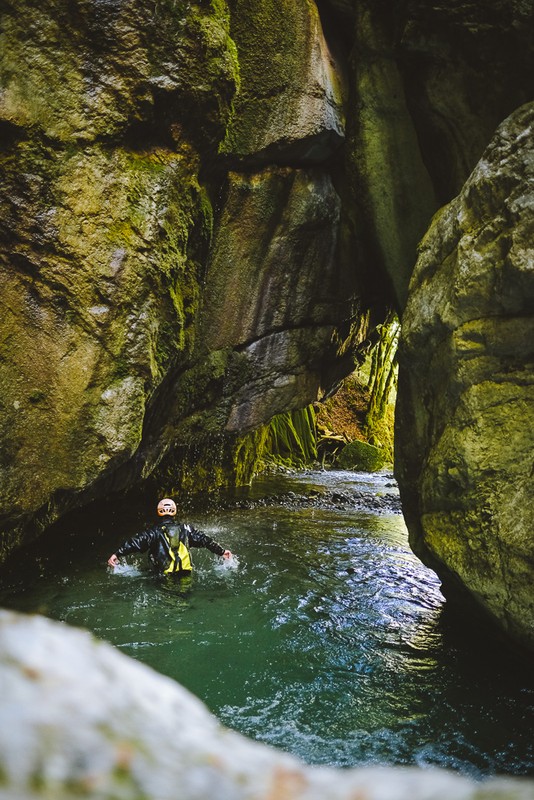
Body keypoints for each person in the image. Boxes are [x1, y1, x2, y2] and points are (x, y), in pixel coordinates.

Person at [107, 498, 232, 575]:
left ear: (158, 512)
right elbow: (204, 540)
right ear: (174, 511)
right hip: (186, 573)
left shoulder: (154, 532)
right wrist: (221, 552)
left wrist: (117, 554)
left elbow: (135, 542)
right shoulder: (186, 529)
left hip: (164, 576)